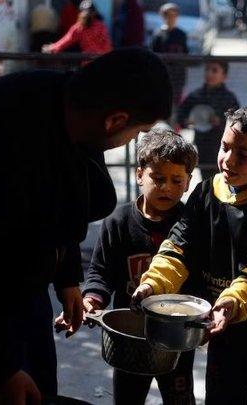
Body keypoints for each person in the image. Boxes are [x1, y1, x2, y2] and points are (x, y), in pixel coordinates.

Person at [0, 48, 172, 403]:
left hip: (24, 291)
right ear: (115, 120)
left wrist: (66, 275)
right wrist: (2, 369)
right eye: (137, 131)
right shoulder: (8, 142)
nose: (130, 141)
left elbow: (62, 206)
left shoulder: (70, 108)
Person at [132, 105, 247, 405]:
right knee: (222, 395)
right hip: (222, 327)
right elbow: (178, 246)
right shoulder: (207, 191)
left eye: (243, 154)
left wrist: (228, 304)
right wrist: (153, 284)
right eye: (225, 147)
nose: (229, 160)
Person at [83, 129, 198, 405]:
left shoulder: (192, 224)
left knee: (180, 397)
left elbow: (199, 280)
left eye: (176, 180)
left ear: (188, 182)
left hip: (177, 336)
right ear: (139, 175)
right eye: (158, 179)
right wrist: (93, 298)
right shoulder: (118, 222)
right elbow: (101, 272)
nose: (167, 187)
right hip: (130, 336)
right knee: (127, 398)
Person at [177, 61, 240, 181]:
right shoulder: (196, 95)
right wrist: (187, 121)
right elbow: (181, 114)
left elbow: (237, 122)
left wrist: (221, 121)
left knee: (223, 178)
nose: (209, 73)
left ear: (224, 76)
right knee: (207, 179)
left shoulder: (229, 98)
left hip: (223, 145)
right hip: (203, 143)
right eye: (207, 70)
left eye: (214, 70)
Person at [151, 2, 189, 107]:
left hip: (177, 75)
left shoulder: (181, 34)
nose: (171, 18)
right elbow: (154, 55)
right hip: (163, 74)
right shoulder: (158, 34)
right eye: (168, 16)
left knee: (176, 103)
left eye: (174, 16)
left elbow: (186, 54)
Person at [42, 0, 113, 55]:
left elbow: (64, 41)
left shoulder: (81, 27)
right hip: (96, 61)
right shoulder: (81, 27)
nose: (86, 15)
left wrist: (51, 48)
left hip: (91, 62)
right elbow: (65, 41)